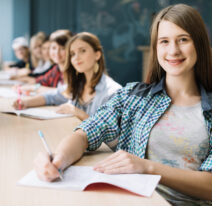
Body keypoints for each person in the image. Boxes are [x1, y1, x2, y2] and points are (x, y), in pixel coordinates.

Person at [34, 4, 212, 205]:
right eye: (164, 41)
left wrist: (147, 167)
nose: (173, 50)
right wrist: (58, 160)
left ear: (199, 43)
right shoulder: (132, 96)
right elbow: (85, 133)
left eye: (183, 39)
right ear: (156, 47)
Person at [13, 32, 122, 120]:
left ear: (97, 54)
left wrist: (76, 112)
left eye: (82, 51)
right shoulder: (78, 83)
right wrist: (25, 102)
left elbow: (110, 136)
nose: (76, 58)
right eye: (72, 54)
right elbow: (51, 96)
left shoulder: (112, 91)